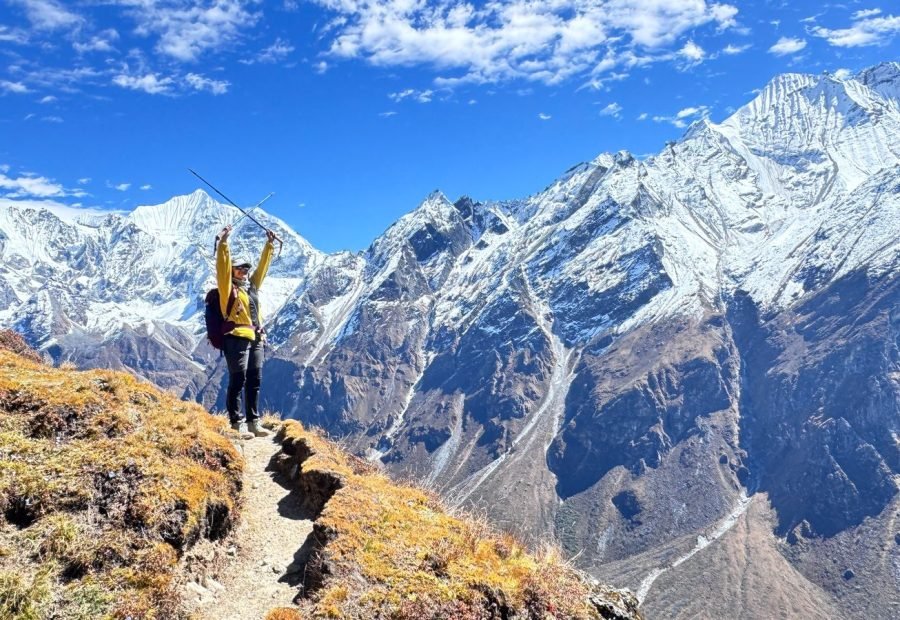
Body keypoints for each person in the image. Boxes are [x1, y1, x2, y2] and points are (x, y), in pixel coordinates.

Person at [216, 224, 276, 437]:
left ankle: (253, 422)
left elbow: (262, 270)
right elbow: (222, 267)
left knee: (254, 380)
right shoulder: (227, 288)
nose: (244, 272)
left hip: (256, 337)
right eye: (239, 268)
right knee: (238, 380)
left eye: (246, 269)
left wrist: (269, 245)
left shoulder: (251, 287)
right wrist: (223, 244)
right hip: (236, 338)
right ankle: (236, 424)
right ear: (232, 270)